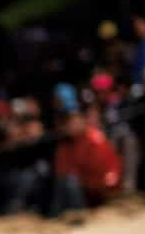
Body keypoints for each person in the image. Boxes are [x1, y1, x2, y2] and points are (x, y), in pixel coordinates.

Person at [48, 83, 121, 218]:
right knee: (66, 182)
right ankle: (56, 214)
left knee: (71, 182)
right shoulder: (65, 145)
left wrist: (109, 183)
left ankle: (79, 213)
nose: (71, 125)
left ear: (82, 120)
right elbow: (62, 174)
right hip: (83, 188)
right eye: (68, 123)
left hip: (101, 188)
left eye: (74, 121)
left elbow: (110, 167)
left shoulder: (95, 138)